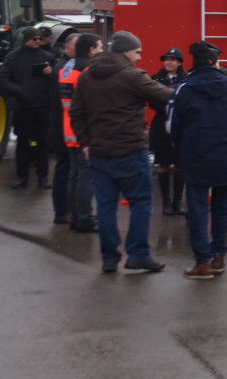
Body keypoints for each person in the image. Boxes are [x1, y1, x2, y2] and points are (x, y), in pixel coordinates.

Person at [69, 31, 173, 274]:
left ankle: (109, 258)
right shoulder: (132, 76)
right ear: (126, 51)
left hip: (98, 153)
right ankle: (137, 254)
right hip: (130, 151)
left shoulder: (87, 76)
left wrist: (85, 142)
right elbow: (166, 95)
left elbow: (76, 112)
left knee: (105, 206)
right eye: (137, 52)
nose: (139, 57)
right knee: (140, 202)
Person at [167, 42, 227, 280]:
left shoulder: (183, 89)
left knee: (198, 209)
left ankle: (202, 262)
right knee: (222, 207)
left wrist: (181, 143)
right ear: (214, 62)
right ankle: (219, 256)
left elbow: (172, 126)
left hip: (196, 156)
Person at [0, 26, 57, 189]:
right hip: (22, 106)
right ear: (27, 39)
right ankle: (21, 177)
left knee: (43, 142)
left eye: (40, 39)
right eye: (35, 39)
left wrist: (50, 73)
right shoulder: (13, 57)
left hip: (42, 106)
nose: (38, 41)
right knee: (22, 143)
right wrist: (17, 90)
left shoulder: (48, 57)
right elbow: (3, 79)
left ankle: (43, 177)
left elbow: (56, 78)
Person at [58, 33, 102, 233]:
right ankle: (84, 218)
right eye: (100, 48)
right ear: (91, 50)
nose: (101, 51)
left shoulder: (67, 67)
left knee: (74, 175)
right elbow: (91, 102)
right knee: (86, 175)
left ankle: (76, 216)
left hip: (69, 126)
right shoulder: (87, 69)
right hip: (83, 128)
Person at [150, 47, 187, 216]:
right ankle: (165, 201)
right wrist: (168, 104)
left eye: (172, 59)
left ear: (179, 62)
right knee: (164, 164)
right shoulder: (156, 79)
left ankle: (177, 202)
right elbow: (152, 101)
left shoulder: (186, 80)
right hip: (161, 127)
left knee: (180, 165)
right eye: (166, 59)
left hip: (180, 128)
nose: (168, 62)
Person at [50, 32, 80, 223]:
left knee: (67, 168)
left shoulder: (65, 66)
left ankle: (66, 209)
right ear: (67, 48)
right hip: (63, 127)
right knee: (64, 168)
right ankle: (62, 211)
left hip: (64, 126)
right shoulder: (63, 68)